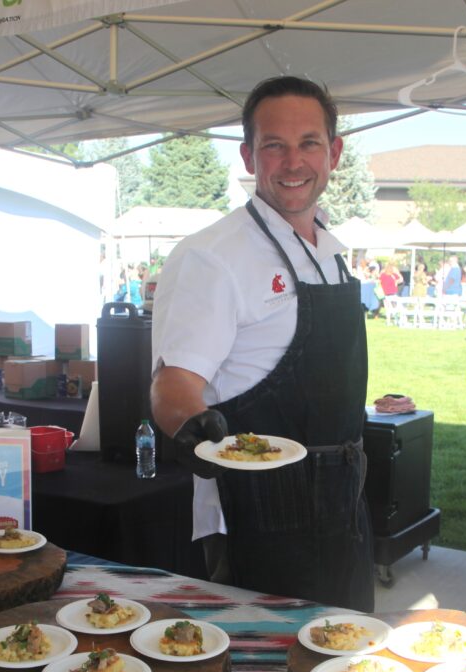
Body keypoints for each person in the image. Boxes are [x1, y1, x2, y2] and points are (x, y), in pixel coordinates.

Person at [150, 75, 373, 612]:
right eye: (274, 145)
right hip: (258, 513)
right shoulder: (212, 256)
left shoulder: (330, 251)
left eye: (309, 143)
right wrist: (191, 425)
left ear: (333, 153)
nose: (293, 162)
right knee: (267, 658)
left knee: (350, 649)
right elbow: (172, 383)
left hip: (343, 501)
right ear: (249, 156)